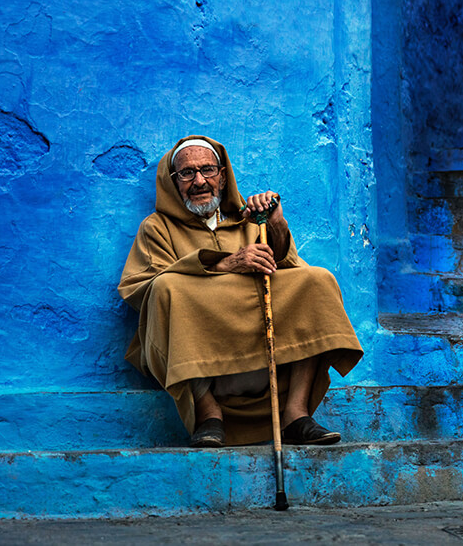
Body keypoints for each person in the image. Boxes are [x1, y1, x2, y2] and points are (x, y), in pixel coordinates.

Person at [118, 135, 363, 447]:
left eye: (207, 170)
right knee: (168, 288)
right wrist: (224, 265)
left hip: (263, 348)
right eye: (187, 173)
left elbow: (288, 268)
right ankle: (209, 414)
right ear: (173, 181)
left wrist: (275, 224)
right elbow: (141, 288)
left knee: (316, 281)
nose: (199, 181)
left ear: (222, 175)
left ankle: (295, 413)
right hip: (202, 363)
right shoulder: (156, 228)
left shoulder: (250, 220)